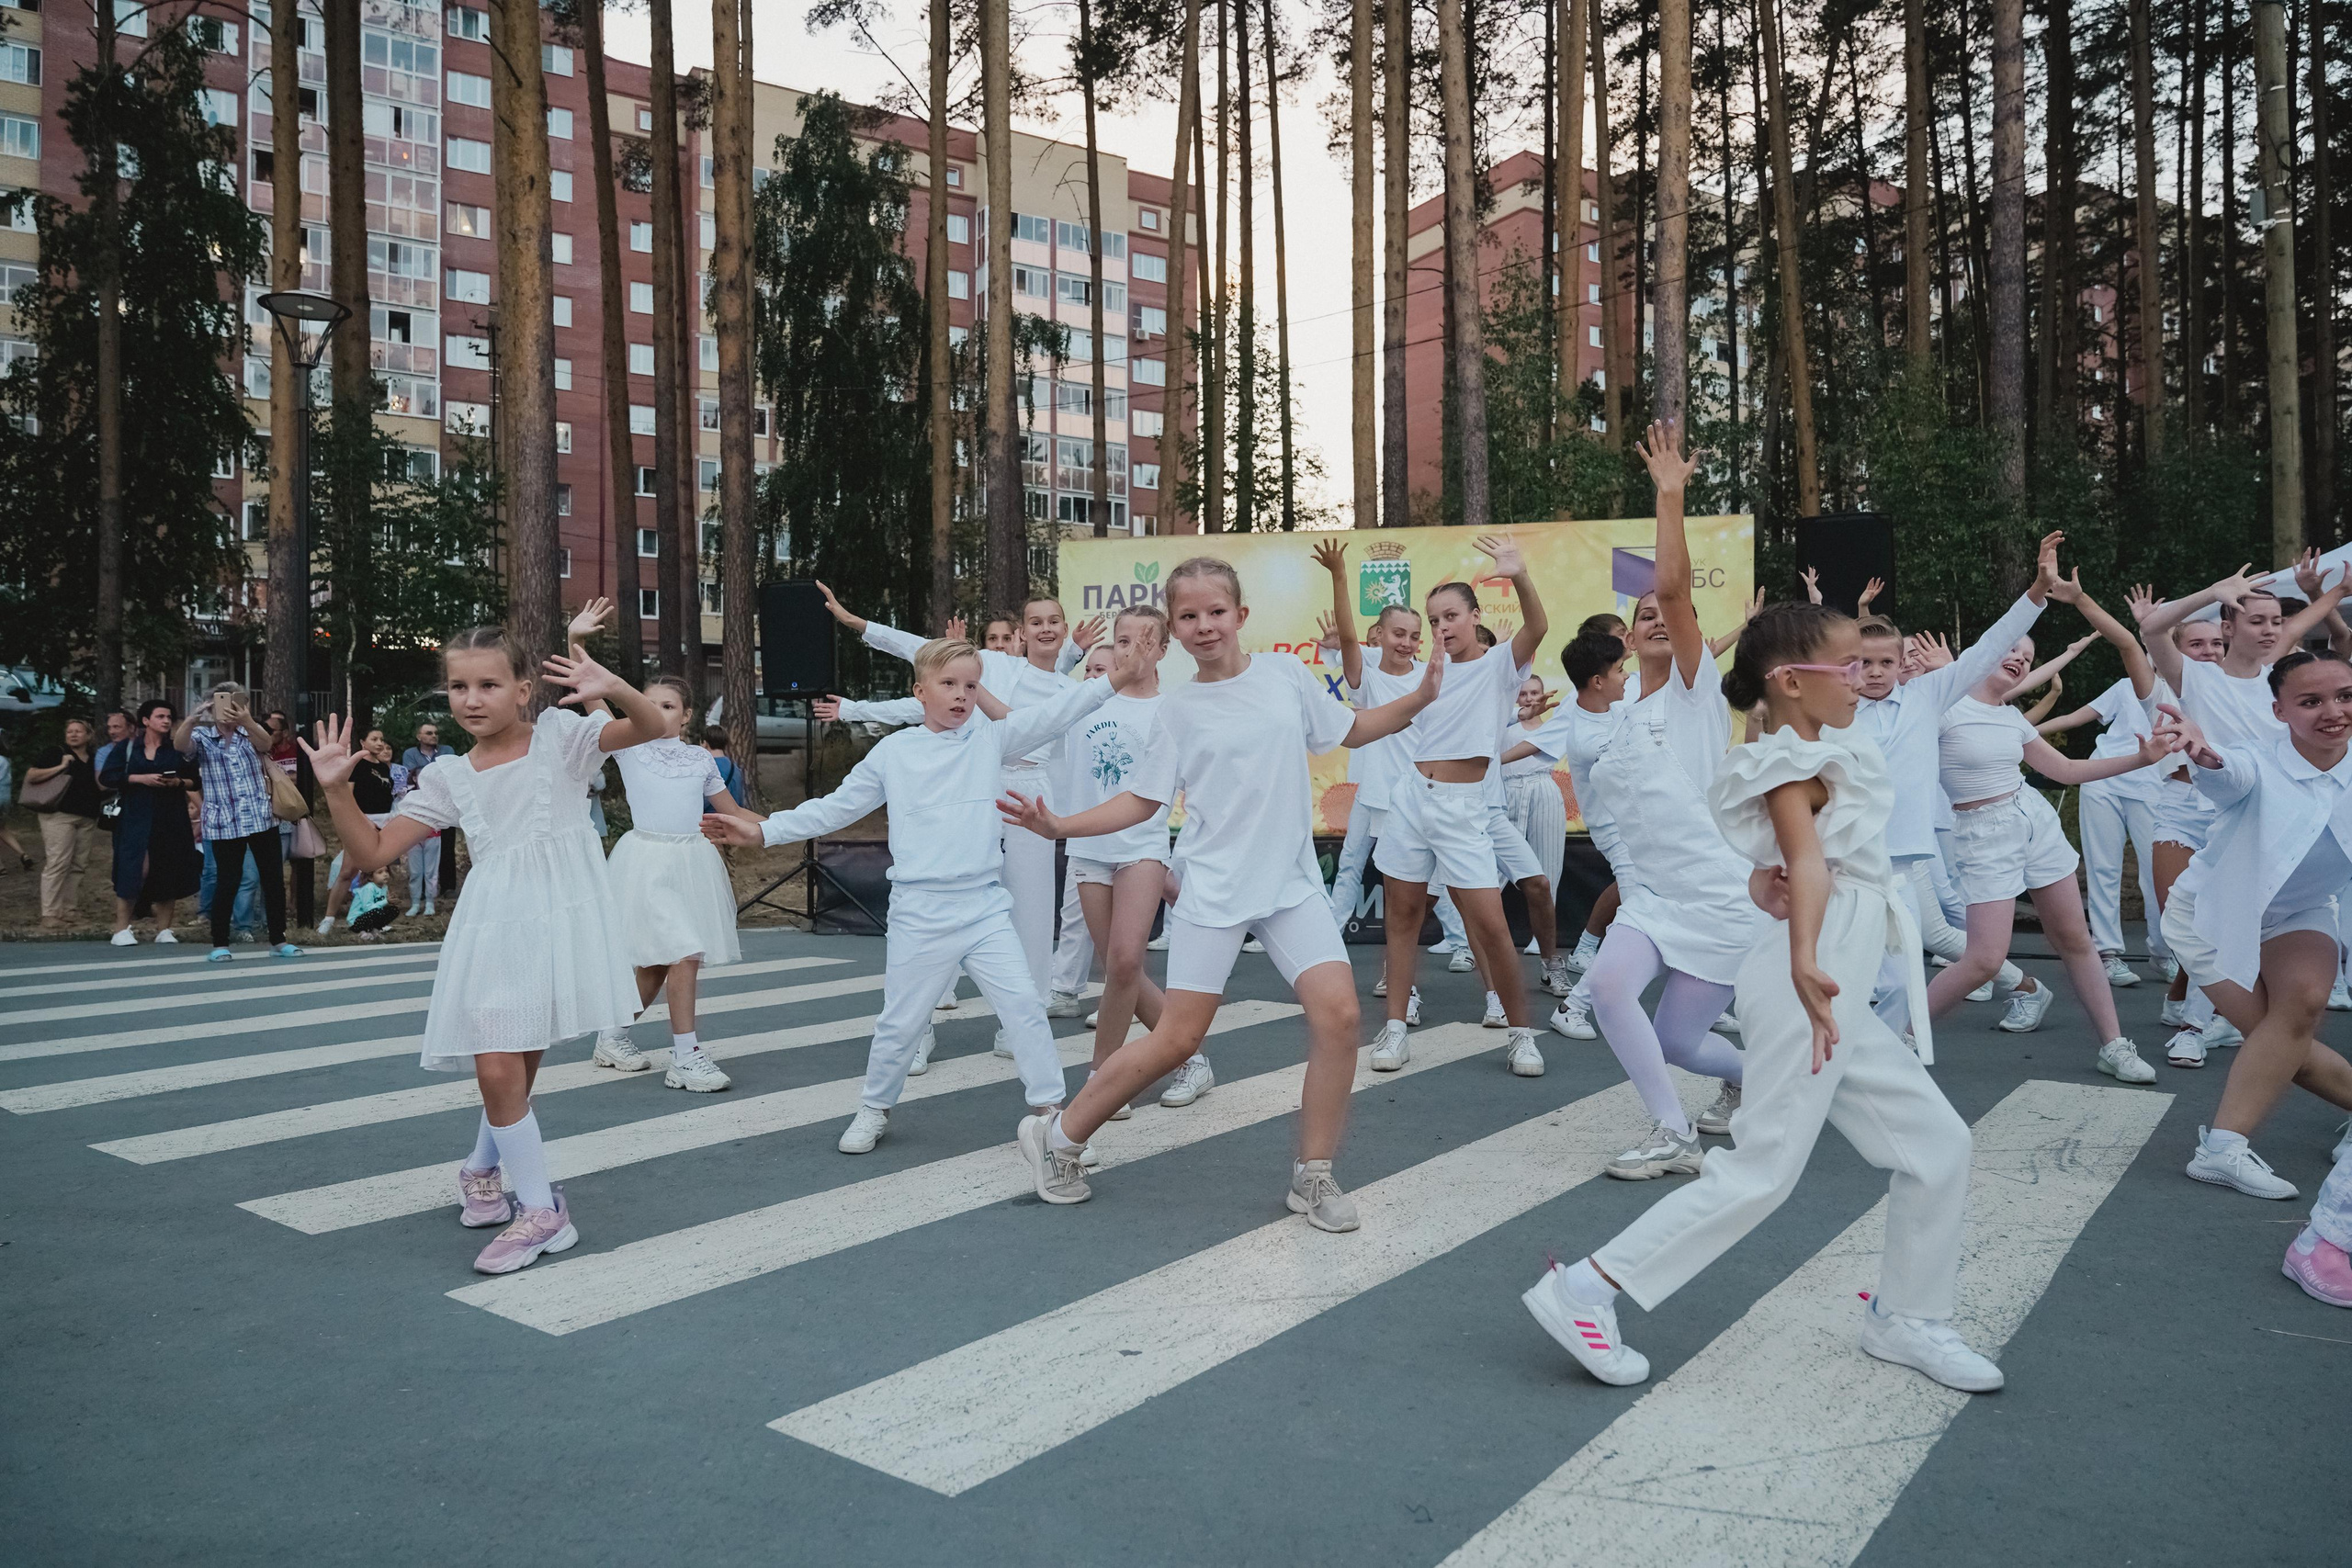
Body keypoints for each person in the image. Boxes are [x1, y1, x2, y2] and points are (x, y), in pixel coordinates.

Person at [1524, 601, 2007, 1395]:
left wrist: (1767, 887)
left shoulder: (1822, 738)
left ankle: (1907, 1317)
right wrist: (1809, 958)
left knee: (1938, 1145)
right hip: (1805, 968)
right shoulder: (1788, 759)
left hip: (1828, 955)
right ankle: (1587, 1287)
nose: (1863, 676)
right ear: (1790, 681)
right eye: (1847, 665)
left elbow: (1791, 858)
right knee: (1765, 1167)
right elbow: (1807, 864)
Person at [1000, 557, 1445, 1229]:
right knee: (1178, 1039)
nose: (1204, 625)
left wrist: (1420, 699)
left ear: (1240, 615)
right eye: (1188, 616)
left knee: (1341, 1017)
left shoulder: (1286, 678)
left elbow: (1350, 728)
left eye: (1215, 611)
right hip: (1213, 886)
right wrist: (1060, 824)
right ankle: (1057, 1137)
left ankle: (1314, 1175)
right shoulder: (1176, 711)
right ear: (1174, 631)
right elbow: (1142, 800)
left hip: (1290, 884)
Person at [300, 626, 662, 1274]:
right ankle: (541, 1208)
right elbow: (373, 853)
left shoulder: (560, 737)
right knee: (496, 1065)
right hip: (495, 923)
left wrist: (614, 688)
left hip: (559, 919)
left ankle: (482, 1170)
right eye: (459, 686)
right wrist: (335, 790)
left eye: (489, 684)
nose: (471, 698)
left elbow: (651, 727)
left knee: (516, 1064)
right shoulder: (448, 775)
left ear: (523, 690)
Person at [706, 636, 1144, 1155]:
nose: (962, 696)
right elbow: (832, 809)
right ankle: (874, 1107)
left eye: (971, 686)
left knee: (1024, 1007)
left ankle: (1054, 1117)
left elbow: (1056, 713)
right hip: (919, 910)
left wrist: (1116, 680)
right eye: (949, 685)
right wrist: (762, 832)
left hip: (983, 906)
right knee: (902, 1020)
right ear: (920, 691)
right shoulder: (895, 752)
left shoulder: (992, 740)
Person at [1577, 426, 1750, 1179]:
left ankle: (1751, 1078)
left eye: (1661, 611)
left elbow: (1674, 589)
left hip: (1715, 898)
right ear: (1621, 645)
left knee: (1682, 1039)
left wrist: (1669, 494)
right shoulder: (1616, 720)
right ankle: (1673, 1131)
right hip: (1649, 899)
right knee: (1609, 988)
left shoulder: (1694, 692)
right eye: (1637, 613)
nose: (1652, 614)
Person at [1926, 564, 2174, 1084]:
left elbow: (2065, 770)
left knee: (2076, 939)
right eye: (2012, 649)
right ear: (1987, 652)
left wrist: (2143, 759)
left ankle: (2114, 1044)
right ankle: (1898, 1036)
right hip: (1982, 832)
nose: (2019, 658)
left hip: (2033, 821)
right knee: (1984, 960)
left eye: (2028, 657)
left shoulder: (2008, 716)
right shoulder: (1942, 706)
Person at [818, 587, 1088, 1045]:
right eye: (1036, 622)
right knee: (946, 895)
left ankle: (1021, 1023)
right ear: (1021, 634)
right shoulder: (992, 666)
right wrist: (857, 624)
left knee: (1033, 911)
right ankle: (919, 1023)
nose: (1046, 629)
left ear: (1065, 631)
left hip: (1031, 792)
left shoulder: (1069, 690)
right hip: (976, 780)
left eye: (1054, 622)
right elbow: (920, 653)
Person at [2137, 563, 2351, 1064]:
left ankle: (2201, 1022)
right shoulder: (2197, 675)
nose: (2272, 629)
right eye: (2257, 621)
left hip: (2251, 816)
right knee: (2190, 923)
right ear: (2228, 627)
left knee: (2231, 919)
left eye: (2277, 622)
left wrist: (2331, 593)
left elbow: (2303, 623)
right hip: (2190, 810)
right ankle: (2211, 1016)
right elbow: (2149, 630)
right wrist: (2213, 590)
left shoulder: (2285, 687)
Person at [2161, 655, 2352, 1201]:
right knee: (2280, 1038)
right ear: (2280, 711)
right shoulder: (2255, 760)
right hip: (2212, 917)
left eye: (2345, 695)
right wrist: (2202, 751)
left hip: (2301, 912)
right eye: (2311, 702)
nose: (2333, 712)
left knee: (2306, 1003)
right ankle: (2221, 1151)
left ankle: (2221, 1146)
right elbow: (2227, 773)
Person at [1372, 533, 1550, 1073]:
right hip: (1411, 799)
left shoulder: (1499, 664)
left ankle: (1522, 1034)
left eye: (1451, 615)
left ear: (1475, 616)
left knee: (1490, 926)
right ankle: (1395, 1028)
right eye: (1434, 620)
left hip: (1463, 806)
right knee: (1402, 917)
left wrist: (1517, 572)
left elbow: (1537, 627)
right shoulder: (1430, 673)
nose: (1442, 627)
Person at [571, 597, 763, 1092]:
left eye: (668, 706)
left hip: (691, 862)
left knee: (658, 963)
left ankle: (612, 1036)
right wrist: (576, 641)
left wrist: (793, 824)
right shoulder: (629, 746)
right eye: (649, 704)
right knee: (685, 950)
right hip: (647, 861)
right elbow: (595, 698)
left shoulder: (701, 761)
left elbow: (733, 813)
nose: (657, 713)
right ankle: (685, 1055)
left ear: (686, 714)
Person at [1057, 608, 1184, 1111]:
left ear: (1163, 649)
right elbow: (1016, 713)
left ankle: (1101, 1081)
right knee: (1119, 971)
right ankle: (1190, 1057)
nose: (1133, 648)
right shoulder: (1086, 702)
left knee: (1128, 960)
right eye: (1123, 639)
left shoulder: (1172, 710)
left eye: (1145, 641)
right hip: (1090, 848)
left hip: (1143, 847)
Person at [1313, 543, 1426, 1025]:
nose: (1406, 642)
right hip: (1373, 796)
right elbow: (1349, 640)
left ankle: (1407, 979)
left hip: (1420, 803)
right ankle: (1323, 959)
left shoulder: (1431, 678)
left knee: (1420, 895)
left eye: (1414, 635)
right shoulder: (1368, 678)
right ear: (1380, 635)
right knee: (1350, 872)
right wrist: (1340, 575)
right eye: (1398, 633)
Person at [1532, 629, 1634, 1042]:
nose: (1627, 677)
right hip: (1618, 835)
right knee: (1638, 915)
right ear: (1597, 681)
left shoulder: (1617, 708)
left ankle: (1706, 1002)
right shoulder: (1590, 737)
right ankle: (1572, 1006)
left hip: (1642, 832)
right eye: (1621, 670)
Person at [2038, 674, 2168, 987]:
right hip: (2103, 779)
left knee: (2158, 873)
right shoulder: (2124, 685)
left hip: (2152, 786)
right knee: (2103, 868)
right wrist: (2024, 731)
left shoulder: (2191, 686)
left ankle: (2165, 953)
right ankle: (2107, 953)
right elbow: (2075, 717)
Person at [175, 682, 299, 961]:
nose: (227, 710)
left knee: (273, 880)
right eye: (221, 703)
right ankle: (220, 944)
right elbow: (181, 745)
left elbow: (267, 744)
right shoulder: (204, 736)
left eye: (234, 702)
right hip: (224, 821)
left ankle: (279, 940)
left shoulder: (250, 732)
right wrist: (194, 717)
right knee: (227, 881)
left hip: (260, 817)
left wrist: (247, 720)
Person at [99, 699, 200, 943]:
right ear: (146, 720)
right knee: (133, 869)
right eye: (160, 716)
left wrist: (176, 783)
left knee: (168, 869)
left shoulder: (177, 748)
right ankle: (122, 928)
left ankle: (164, 929)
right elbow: (108, 776)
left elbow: (194, 780)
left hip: (170, 817)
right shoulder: (127, 747)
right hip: (134, 817)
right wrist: (139, 778)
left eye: (169, 717)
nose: (166, 721)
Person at [27, 716, 102, 928]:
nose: (74, 734)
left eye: (78, 731)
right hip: (59, 816)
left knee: (78, 865)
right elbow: (32, 776)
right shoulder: (57, 753)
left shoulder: (95, 758)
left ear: (89, 735)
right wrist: (60, 767)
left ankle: (69, 910)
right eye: (70, 731)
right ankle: (50, 913)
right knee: (58, 863)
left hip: (87, 817)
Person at [319, 729, 397, 934]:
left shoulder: (382, 766)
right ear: (363, 742)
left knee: (378, 873)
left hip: (384, 821)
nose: (379, 743)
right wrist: (363, 821)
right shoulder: (356, 765)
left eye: (382, 739)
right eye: (374, 739)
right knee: (347, 871)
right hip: (362, 821)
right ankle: (328, 919)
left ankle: (374, 917)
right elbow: (348, 797)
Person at [266, 710, 319, 931]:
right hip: (272, 813)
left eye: (272, 731)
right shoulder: (264, 750)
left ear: (285, 732)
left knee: (300, 860)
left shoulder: (297, 750)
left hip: (297, 811)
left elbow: (305, 775)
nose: (268, 734)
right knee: (273, 863)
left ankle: (295, 903)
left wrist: (280, 779)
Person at [401, 721, 453, 914]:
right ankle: (417, 900)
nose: (434, 735)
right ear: (419, 737)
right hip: (419, 814)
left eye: (436, 733)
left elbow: (450, 775)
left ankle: (442, 891)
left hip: (443, 807)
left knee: (443, 853)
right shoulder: (410, 754)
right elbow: (412, 773)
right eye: (429, 733)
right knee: (416, 867)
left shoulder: (447, 750)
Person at [704, 728, 751, 807]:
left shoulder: (707, 768)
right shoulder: (735, 768)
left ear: (705, 743)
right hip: (732, 817)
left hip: (711, 817)